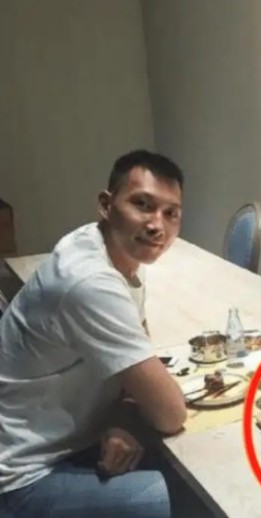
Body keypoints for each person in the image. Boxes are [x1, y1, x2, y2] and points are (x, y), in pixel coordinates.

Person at [0, 150, 193, 517]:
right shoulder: (89, 281)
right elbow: (170, 412)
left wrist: (124, 417)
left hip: (68, 438)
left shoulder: (112, 248)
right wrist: (135, 410)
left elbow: (137, 358)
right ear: (106, 205)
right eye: (143, 205)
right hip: (21, 476)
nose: (157, 225)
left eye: (171, 213)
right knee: (189, 492)